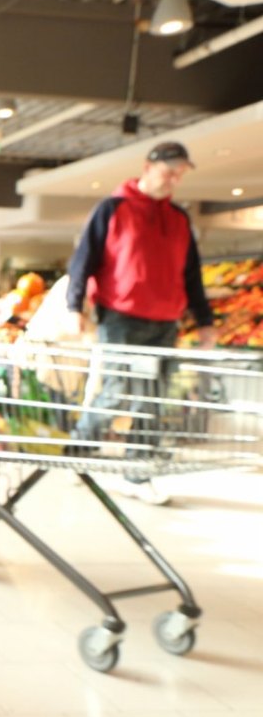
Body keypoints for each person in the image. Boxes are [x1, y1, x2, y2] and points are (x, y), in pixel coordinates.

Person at [65, 140, 217, 506]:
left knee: (153, 398)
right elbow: (83, 259)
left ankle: (138, 472)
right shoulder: (113, 208)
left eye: (179, 175)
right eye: (169, 172)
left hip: (166, 322)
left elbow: (192, 274)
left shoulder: (180, 218)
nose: (173, 181)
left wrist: (205, 321)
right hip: (121, 317)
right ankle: (78, 451)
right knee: (117, 389)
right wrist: (74, 306)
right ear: (149, 167)